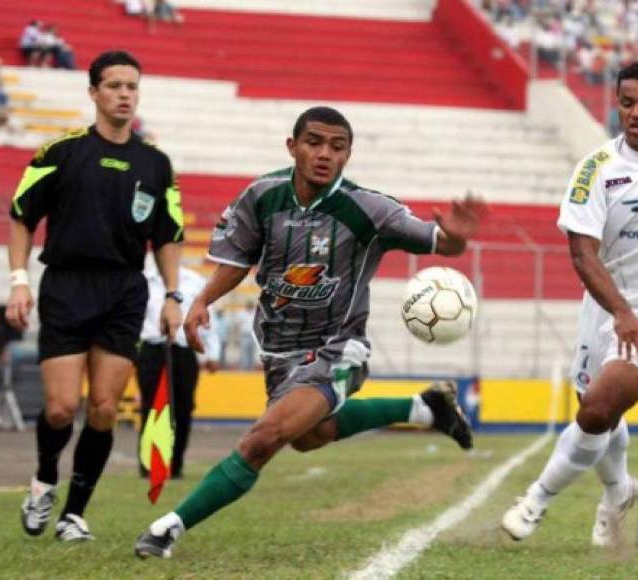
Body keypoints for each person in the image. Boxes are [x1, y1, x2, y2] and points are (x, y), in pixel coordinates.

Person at [133, 106, 483, 559]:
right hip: (279, 353)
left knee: (264, 438)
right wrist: (203, 301)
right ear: (292, 146)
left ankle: (167, 528)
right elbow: (238, 259)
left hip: (337, 348)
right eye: (314, 143)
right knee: (308, 436)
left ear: (348, 155)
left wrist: (455, 238)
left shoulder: (369, 209)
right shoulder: (262, 196)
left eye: (337, 147)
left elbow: (439, 240)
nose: (324, 154)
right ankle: (425, 408)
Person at [501, 60, 638, 547]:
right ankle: (618, 492)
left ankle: (536, 500)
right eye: (627, 103)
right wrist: (621, 311)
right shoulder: (596, 171)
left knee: (596, 412)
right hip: (606, 307)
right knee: (599, 411)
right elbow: (582, 255)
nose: (636, 113)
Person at [6, 50, 184, 542]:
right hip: (66, 285)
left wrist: (173, 295)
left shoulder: (156, 163)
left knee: (104, 407)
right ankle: (44, 480)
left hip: (125, 290)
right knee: (62, 408)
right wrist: (19, 280)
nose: (125, 94)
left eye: (132, 86)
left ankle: (74, 515)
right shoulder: (59, 153)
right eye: (114, 86)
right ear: (93, 93)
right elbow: (21, 217)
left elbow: (168, 236)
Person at [138, 265, 220, 479]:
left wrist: (212, 353)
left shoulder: (195, 281)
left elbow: (208, 317)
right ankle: (149, 464)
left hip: (183, 350)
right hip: (152, 349)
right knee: (151, 406)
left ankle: (175, 465)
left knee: (183, 407)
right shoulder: (146, 281)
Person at [235, 301, 257, 370]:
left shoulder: (255, 313)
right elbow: (237, 325)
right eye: (249, 305)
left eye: (251, 305)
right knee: (244, 352)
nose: (250, 306)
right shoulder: (242, 313)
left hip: (253, 335)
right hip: (244, 335)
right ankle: (244, 369)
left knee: (252, 353)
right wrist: (237, 336)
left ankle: (251, 368)